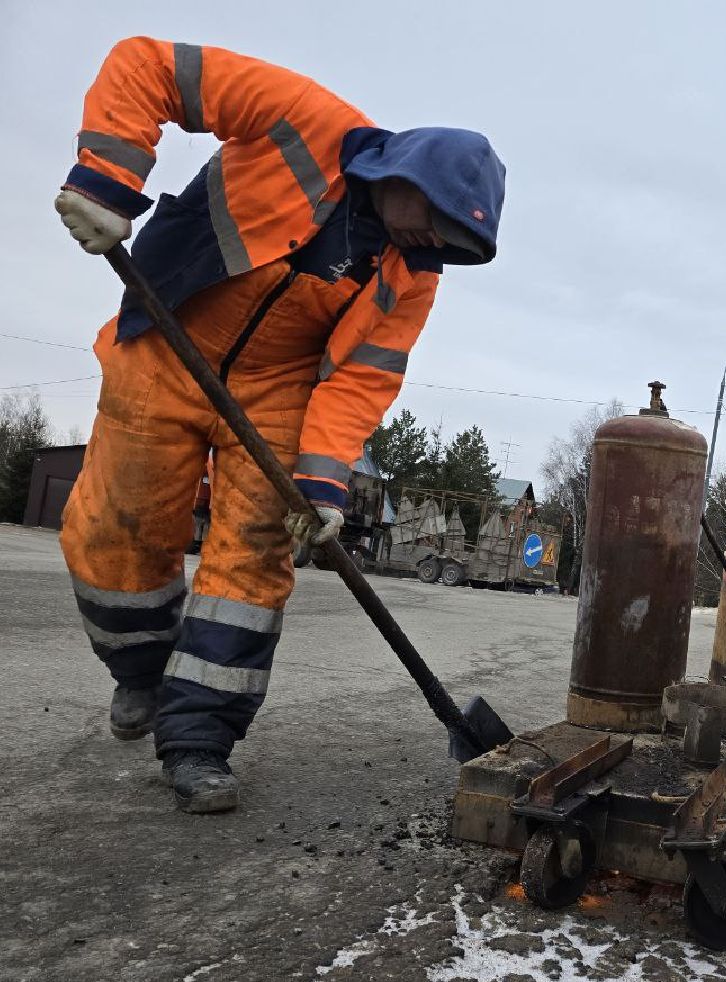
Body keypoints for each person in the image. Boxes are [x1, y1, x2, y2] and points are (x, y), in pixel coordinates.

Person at [54, 37, 505, 813]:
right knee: (114, 532)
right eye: (436, 225)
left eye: (453, 246)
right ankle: (141, 675)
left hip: (276, 393)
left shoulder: (411, 276)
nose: (435, 247)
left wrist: (323, 483)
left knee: (252, 566)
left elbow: (362, 379)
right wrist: (108, 178)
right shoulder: (302, 120)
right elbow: (151, 65)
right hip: (165, 344)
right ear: (410, 176)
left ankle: (199, 743)